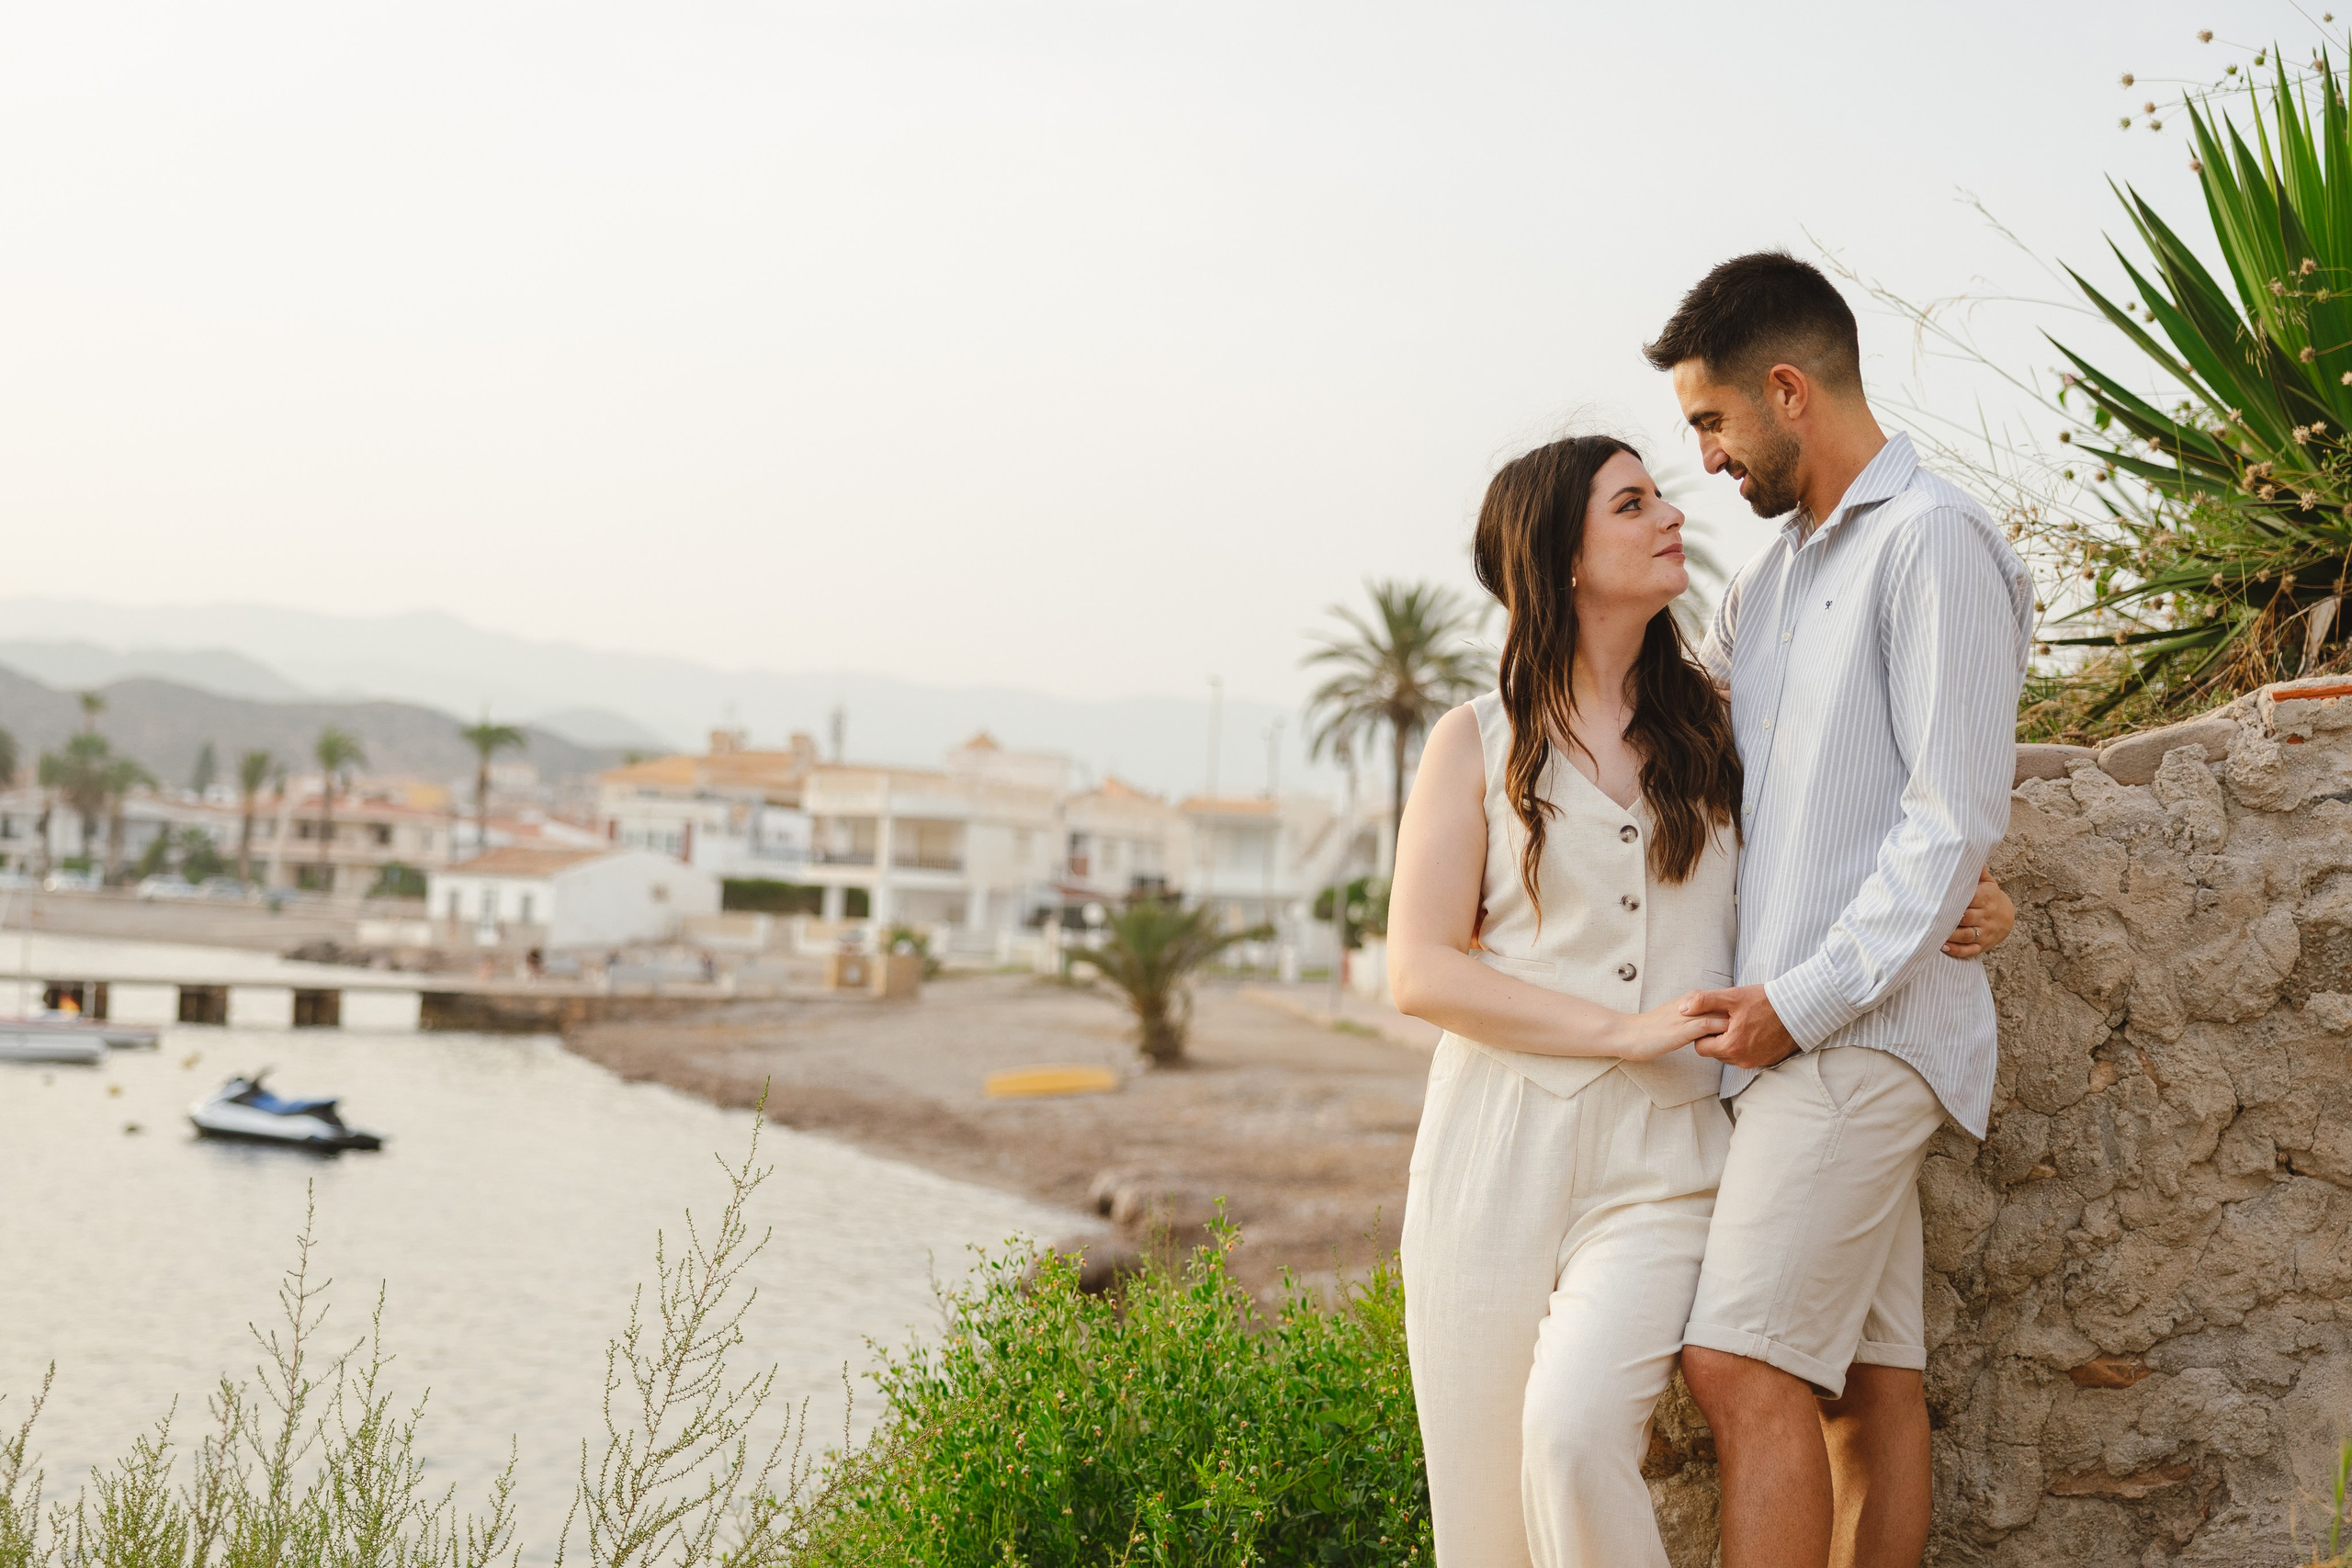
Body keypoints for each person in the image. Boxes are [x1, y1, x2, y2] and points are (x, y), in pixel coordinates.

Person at [1385, 432, 2013, 1568]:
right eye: (1632, 504)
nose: (1671, 513)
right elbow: (1420, 970)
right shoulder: (1472, 742)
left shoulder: (1716, 723)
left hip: (1667, 1159)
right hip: (1494, 1148)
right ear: (1561, 558)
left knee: (1571, 1436)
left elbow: (1872, 815)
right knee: (1478, 1524)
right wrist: (1615, 1031)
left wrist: (1979, 902)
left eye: (1660, 493)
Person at [1648, 253, 2035, 1568]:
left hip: (1861, 1036)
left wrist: (1790, 1008)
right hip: (1808, 1035)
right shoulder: (1770, 582)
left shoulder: (1935, 543)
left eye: (1711, 421)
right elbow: (1690, 742)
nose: (1705, 459)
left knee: (1733, 1361)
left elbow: (1948, 818)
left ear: (1788, 390)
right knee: (1871, 1394)